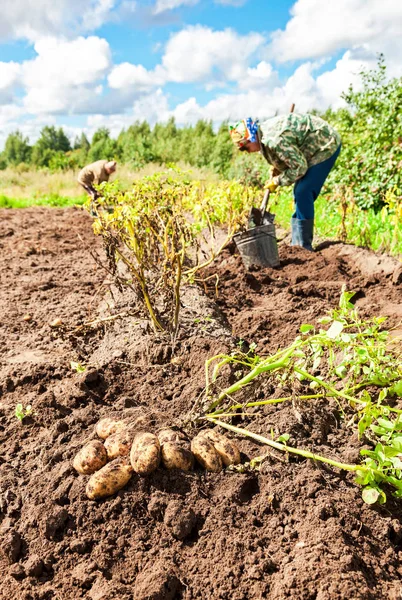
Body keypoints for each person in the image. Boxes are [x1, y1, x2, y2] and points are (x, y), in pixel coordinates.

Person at [229, 114, 341, 251]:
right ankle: (297, 244)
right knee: (299, 192)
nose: (246, 152)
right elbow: (287, 154)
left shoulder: (274, 140)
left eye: (245, 148)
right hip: (309, 148)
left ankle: (304, 247)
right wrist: (278, 164)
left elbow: (300, 167)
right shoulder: (263, 136)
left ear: (251, 139)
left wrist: (277, 180)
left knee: (303, 191)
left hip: (325, 144)